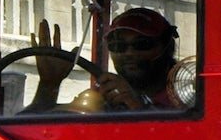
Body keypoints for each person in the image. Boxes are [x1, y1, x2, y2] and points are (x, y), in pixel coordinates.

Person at [27, 7, 186, 113]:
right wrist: (48, 84)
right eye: (118, 46)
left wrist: (139, 107)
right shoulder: (104, 94)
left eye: (142, 44)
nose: (129, 53)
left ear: (167, 47)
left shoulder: (188, 95)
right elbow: (34, 133)